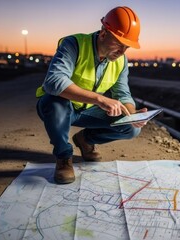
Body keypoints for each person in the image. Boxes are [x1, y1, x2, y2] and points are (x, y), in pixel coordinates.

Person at [36, 6, 147, 184]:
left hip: (89, 112)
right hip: (63, 108)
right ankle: (64, 157)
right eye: (118, 44)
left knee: (132, 128)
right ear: (103, 33)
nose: (122, 52)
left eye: (126, 47)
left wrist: (132, 115)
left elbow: (123, 93)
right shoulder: (74, 44)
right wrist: (99, 99)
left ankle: (85, 140)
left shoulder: (120, 61)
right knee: (54, 103)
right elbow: (53, 81)